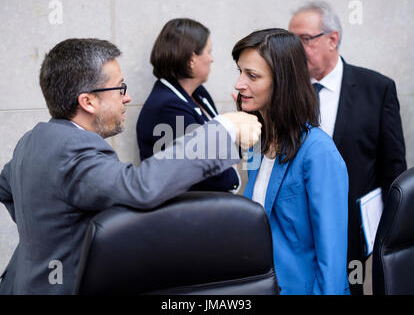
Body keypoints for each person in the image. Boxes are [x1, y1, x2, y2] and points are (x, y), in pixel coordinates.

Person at [0, 38, 261, 294]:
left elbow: (6, 187)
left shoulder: (34, 139)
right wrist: (224, 131)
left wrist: (46, 231)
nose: (128, 97)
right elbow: (139, 186)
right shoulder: (72, 150)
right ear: (88, 102)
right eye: (120, 87)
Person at [288, 0, 407, 295]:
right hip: (297, 231)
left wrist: (388, 235)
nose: (294, 49)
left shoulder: (377, 89)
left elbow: (393, 169)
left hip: (356, 230)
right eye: (291, 40)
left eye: (304, 39)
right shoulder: (285, 92)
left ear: (332, 39)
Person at [232, 28, 349, 295]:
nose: (239, 84)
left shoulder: (318, 152)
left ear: (282, 81)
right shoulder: (258, 143)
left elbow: (332, 262)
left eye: (252, 75)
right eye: (239, 72)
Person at [137, 18, 241, 192]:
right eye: (209, 51)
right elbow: (208, 173)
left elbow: (221, 151)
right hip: (184, 212)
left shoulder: (199, 93)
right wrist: (230, 169)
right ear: (192, 58)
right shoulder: (167, 107)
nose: (212, 59)